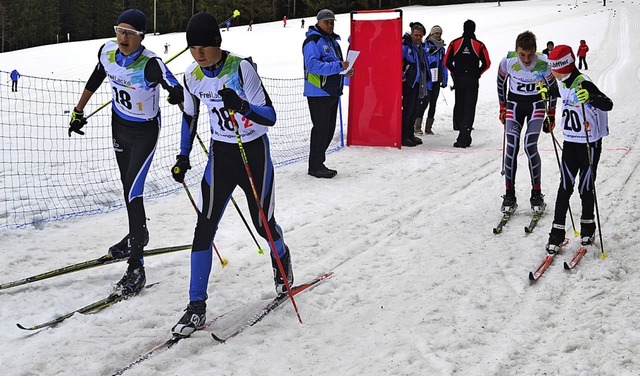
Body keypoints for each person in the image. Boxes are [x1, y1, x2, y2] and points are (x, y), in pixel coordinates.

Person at [170, 12, 293, 337]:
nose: (198, 53)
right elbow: (189, 116)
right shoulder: (192, 76)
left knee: (263, 224)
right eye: (192, 47)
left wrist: (243, 106)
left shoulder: (241, 68)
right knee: (204, 228)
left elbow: (270, 116)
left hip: (253, 154)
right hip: (221, 155)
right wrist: (183, 156)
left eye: (204, 47)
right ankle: (196, 305)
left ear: (217, 44)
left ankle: (281, 259)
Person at [68, 9, 184, 295]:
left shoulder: (150, 64)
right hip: (119, 126)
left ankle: (136, 265)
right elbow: (95, 78)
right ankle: (138, 233)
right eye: (120, 30)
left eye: (130, 33)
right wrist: (78, 111)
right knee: (126, 186)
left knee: (134, 191)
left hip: (144, 133)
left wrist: (175, 95)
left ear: (141, 36)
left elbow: (177, 89)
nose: (123, 37)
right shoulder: (107, 51)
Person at [540, 45, 613, 253]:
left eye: (553, 68)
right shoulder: (562, 82)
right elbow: (555, 90)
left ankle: (588, 228)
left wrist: (590, 98)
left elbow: (608, 104)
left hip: (589, 143)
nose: (551, 72)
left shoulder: (583, 83)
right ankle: (556, 234)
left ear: (562, 67)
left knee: (585, 187)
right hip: (571, 143)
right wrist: (545, 91)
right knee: (565, 186)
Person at [496, 31, 558, 214]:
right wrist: (502, 107)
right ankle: (509, 194)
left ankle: (536, 193)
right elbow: (500, 83)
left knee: (530, 145)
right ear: (516, 51)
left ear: (535, 51)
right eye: (522, 54)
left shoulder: (543, 63)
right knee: (512, 146)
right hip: (514, 105)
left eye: (530, 54)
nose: (527, 59)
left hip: (536, 105)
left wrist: (551, 115)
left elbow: (553, 89)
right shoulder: (508, 62)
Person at [302, 9, 353, 178]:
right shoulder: (313, 41)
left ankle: (319, 162)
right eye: (327, 22)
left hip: (331, 91)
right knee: (321, 129)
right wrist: (339, 66)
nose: (330, 25)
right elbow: (312, 66)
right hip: (318, 92)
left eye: (332, 22)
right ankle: (315, 166)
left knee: (329, 129)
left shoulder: (332, 41)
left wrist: (346, 70)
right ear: (319, 22)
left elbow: (336, 65)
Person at [444, 19, 491, 148]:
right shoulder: (479, 45)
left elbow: (446, 62)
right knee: (469, 107)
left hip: (459, 78)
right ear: (474, 29)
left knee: (460, 104)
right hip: (472, 79)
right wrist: (478, 73)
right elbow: (487, 63)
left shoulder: (455, 43)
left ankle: (463, 132)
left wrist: (455, 72)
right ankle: (464, 137)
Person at [415, 25, 449, 136]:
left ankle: (429, 127)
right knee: (424, 102)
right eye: (436, 33)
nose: (438, 35)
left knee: (433, 104)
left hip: (436, 79)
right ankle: (417, 126)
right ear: (432, 34)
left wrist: (444, 78)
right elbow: (425, 60)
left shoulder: (441, 49)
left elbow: (444, 64)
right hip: (427, 79)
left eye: (440, 33)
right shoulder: (425, 45)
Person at [401, 22, 428, 147]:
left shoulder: (422, 47)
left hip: (418, 81)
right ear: (411, 34)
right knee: (408, 109)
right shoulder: (406, 46)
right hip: (409, 82)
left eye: (420, 36)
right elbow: (398, 61)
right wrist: (402, 76)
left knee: (414, 110)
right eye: (416, 35)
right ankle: (404, 135)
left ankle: (410, 134)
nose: (418, 38)